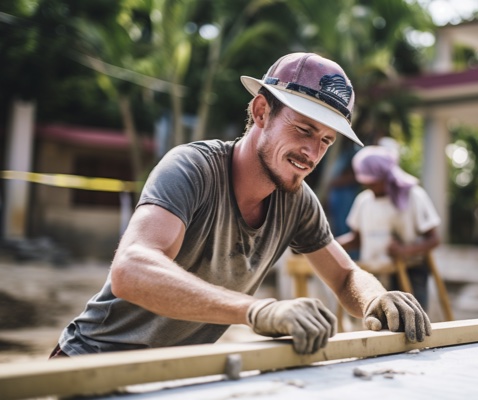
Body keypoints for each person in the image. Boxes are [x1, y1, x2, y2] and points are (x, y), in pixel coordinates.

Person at [50, 53, 431, 359]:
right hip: (91, 362)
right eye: (303, 130)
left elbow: (346, 277)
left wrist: (377, 298)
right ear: (262, 111)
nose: (312, 153)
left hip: (168, 378)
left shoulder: (296, 201)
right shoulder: (192, 168)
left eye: (326, 141)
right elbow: (131, 269)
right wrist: (256, 310)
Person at [336, 145, 440, 310]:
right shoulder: (364, 201)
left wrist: (404, 250)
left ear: (385, 176)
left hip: (409, 272)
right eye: (366, 183)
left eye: (373, 182)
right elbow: (357, 240)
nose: (370, 187)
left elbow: (434, 239)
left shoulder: (413, 196)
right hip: (374, 274)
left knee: (413, 321)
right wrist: (327, 246)